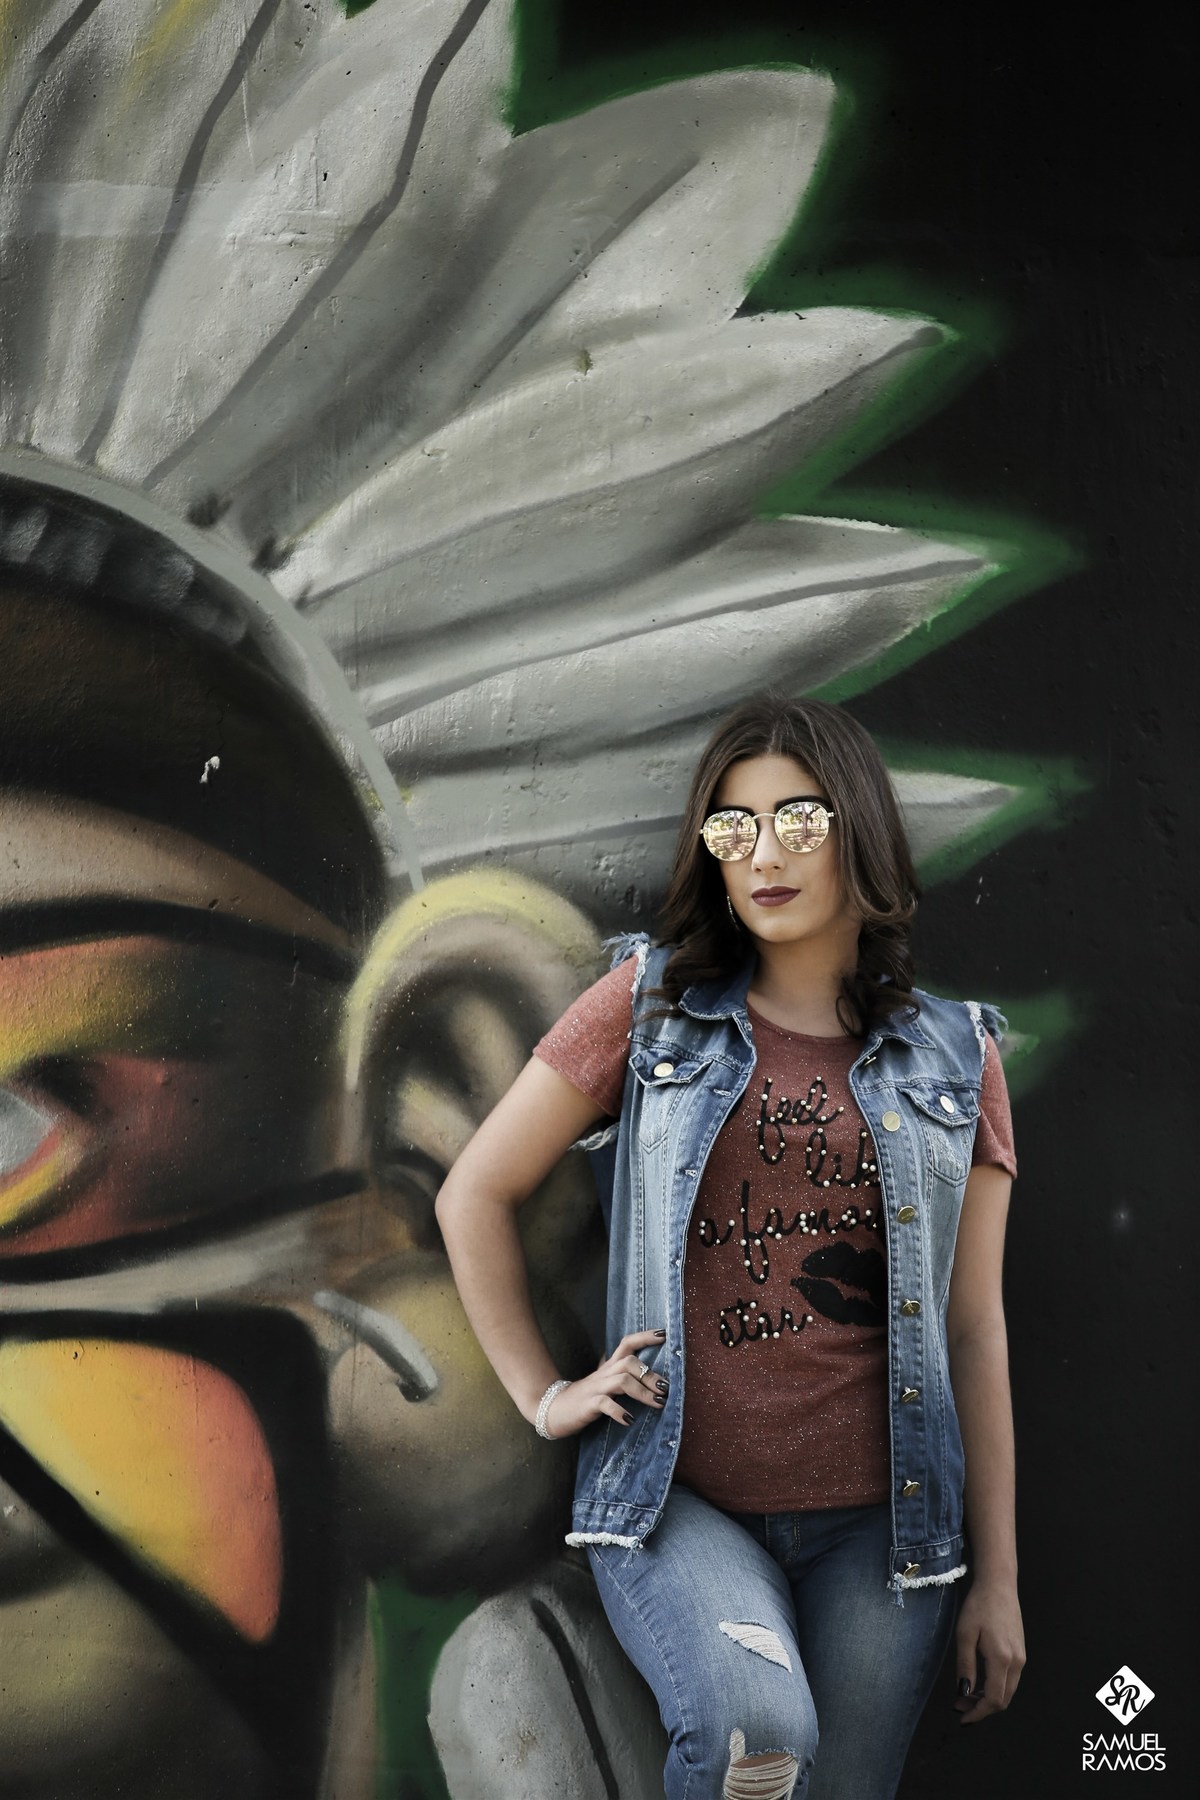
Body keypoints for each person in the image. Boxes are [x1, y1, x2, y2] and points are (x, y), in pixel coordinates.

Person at [436, 693, 1025, 1800]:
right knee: (759, 1736)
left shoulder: (958, 1057)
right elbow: (474, 1192)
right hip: (679, 1503)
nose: (763, 854)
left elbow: (974, 1328)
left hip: (884, 1531)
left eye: (798, 821)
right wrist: (545, 1396)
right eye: (733, 826)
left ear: (858, 833)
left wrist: (999, 1577)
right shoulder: (650, 1008)